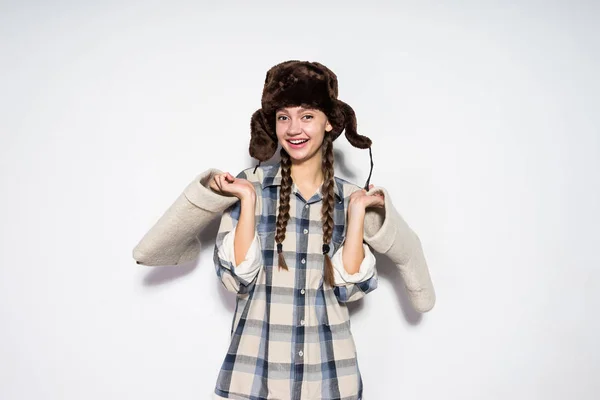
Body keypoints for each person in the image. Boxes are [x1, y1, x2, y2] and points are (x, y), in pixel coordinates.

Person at [209, 60, 384, 400]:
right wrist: (247, 198)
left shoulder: (350, 197)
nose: (293, 128)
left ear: (329, 123)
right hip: (258, 373)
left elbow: (349, 289)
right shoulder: (248, 186)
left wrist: (359, 211)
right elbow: (237, 279)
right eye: (283, 117)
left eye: (306, 116)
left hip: (330, 372)